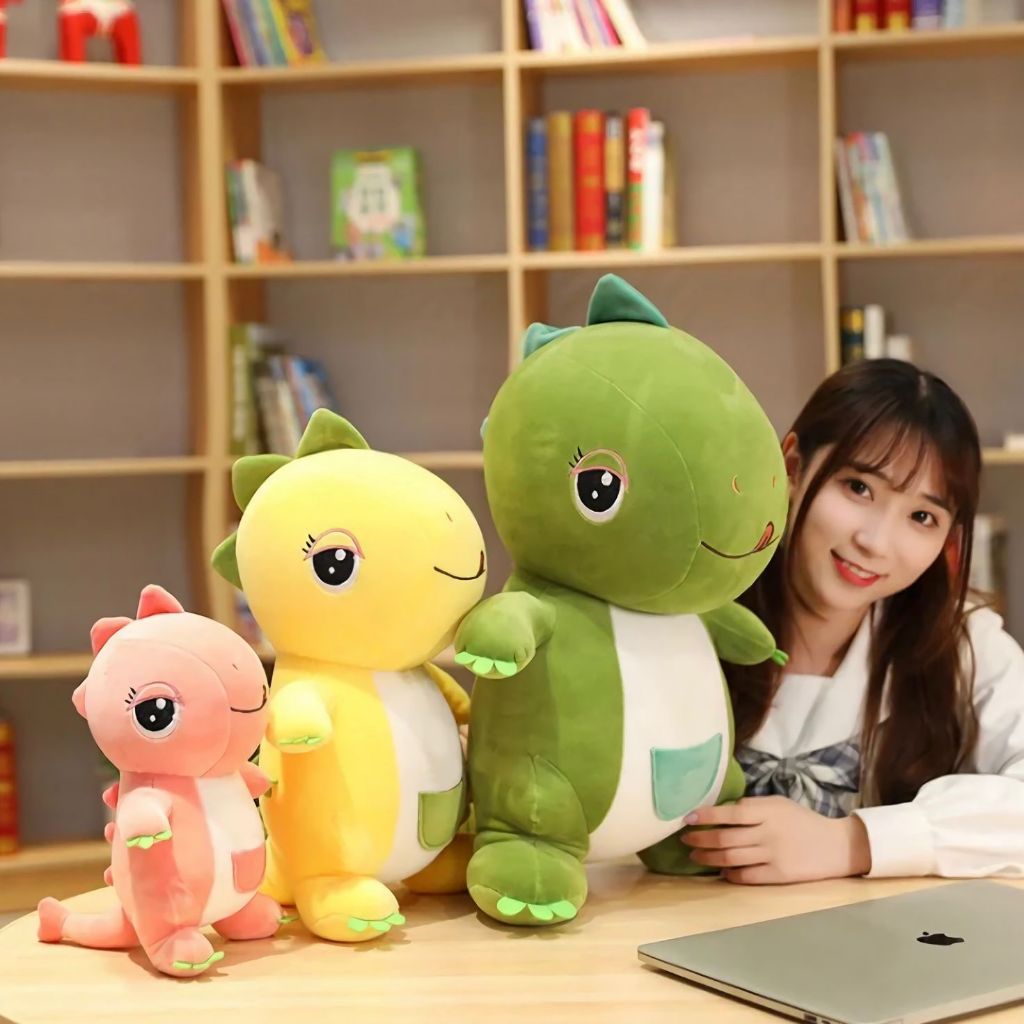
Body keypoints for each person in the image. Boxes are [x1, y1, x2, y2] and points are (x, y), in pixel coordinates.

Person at [682, 359, 1024, 884]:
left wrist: (853, 843)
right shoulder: (684, 614)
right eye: (859, 488)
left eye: (922, 517)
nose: (875, 542)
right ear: (792, 467)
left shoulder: (961, 644)